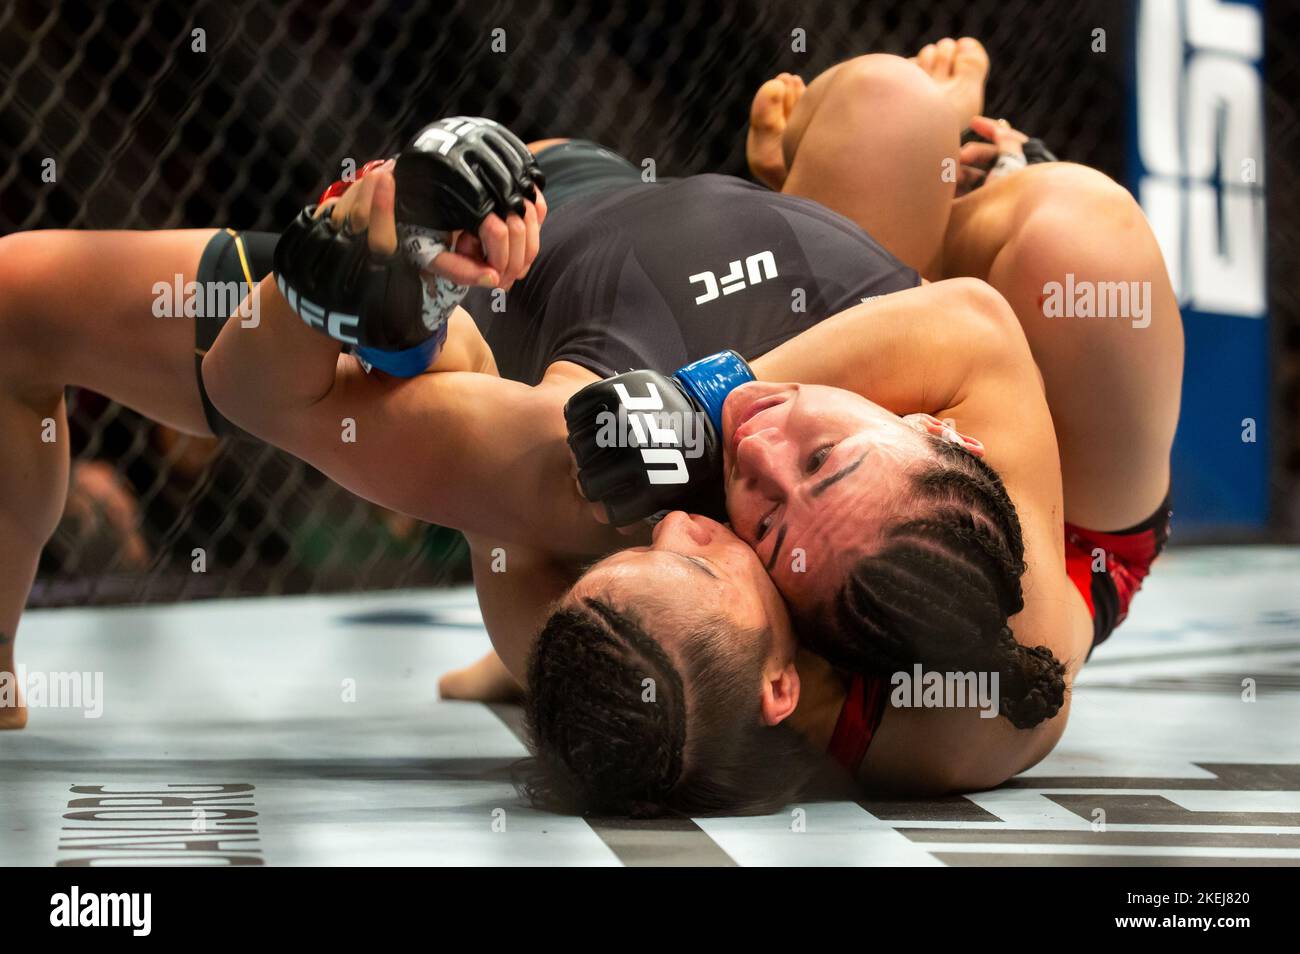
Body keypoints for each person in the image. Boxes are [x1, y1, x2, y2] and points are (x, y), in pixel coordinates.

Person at [0, 42, 1178, 819]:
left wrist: (339, 288)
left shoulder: (596, 501)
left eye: (745, 521)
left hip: (530, 242)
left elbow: (272, 394)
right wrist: (709, 395)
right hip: (813, 289)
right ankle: (928, 175)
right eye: (819, 456)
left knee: (19, 301)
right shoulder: (973, 648)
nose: (761, 448)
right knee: (1061, 221)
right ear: (939, 436)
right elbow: (970, 328)